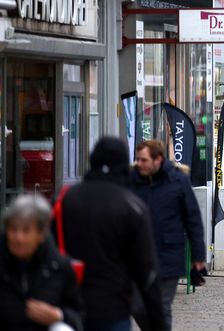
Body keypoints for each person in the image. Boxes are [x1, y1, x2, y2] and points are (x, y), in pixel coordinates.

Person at [62, 137, 164, 331]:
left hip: (69, 307)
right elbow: (147, 272)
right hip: (112, 309)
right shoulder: (132, 207)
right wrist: (158, 323)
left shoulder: (65, 201)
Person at [131, 140, 206, 331]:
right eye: (138, 159)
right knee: (136, 305)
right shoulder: (132, 179)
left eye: (144, 160)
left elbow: (193, 217)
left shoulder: (177, 180)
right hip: (138, 256)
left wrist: (198, 256)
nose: (140, 164)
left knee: (162, 307)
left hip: (168, 253)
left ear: (158, 159)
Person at [0, 195, 82, 331]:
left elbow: (78, 316)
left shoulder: (59, 267)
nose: (18, 238)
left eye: (26, 231)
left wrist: (59, 315)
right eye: (13, 229)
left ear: (41, 234)